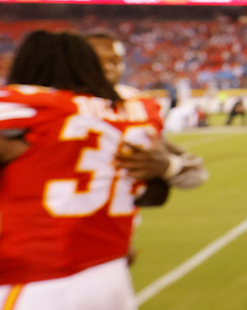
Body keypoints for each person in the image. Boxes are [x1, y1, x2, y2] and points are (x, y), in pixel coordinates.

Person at [0, 31, 164, 310]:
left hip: (37, 276)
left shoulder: (39, 107)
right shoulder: (133, 111)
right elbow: (158, 189)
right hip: (110, 271)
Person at [83, 32, 208, 192]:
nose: (108, 67)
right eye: (98, 60)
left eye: (115, 61)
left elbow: (195, 173)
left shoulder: (135, 105)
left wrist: (168, 167)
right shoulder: (47, 102)